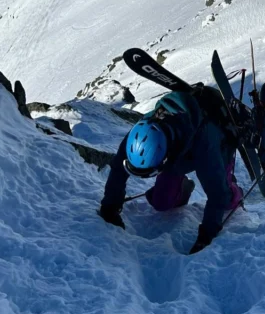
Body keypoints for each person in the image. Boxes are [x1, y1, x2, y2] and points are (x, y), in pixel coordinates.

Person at [98, 90, 243, 254]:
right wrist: (110, 205)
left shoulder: (205, 144)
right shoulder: (143, 133)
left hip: (219, 148)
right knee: (161, 202)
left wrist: (206, 236)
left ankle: (237, 192)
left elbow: (217, 195)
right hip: (179, 154)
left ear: (164, 158)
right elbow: (119, 166)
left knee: (225, 199)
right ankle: (183, 188)